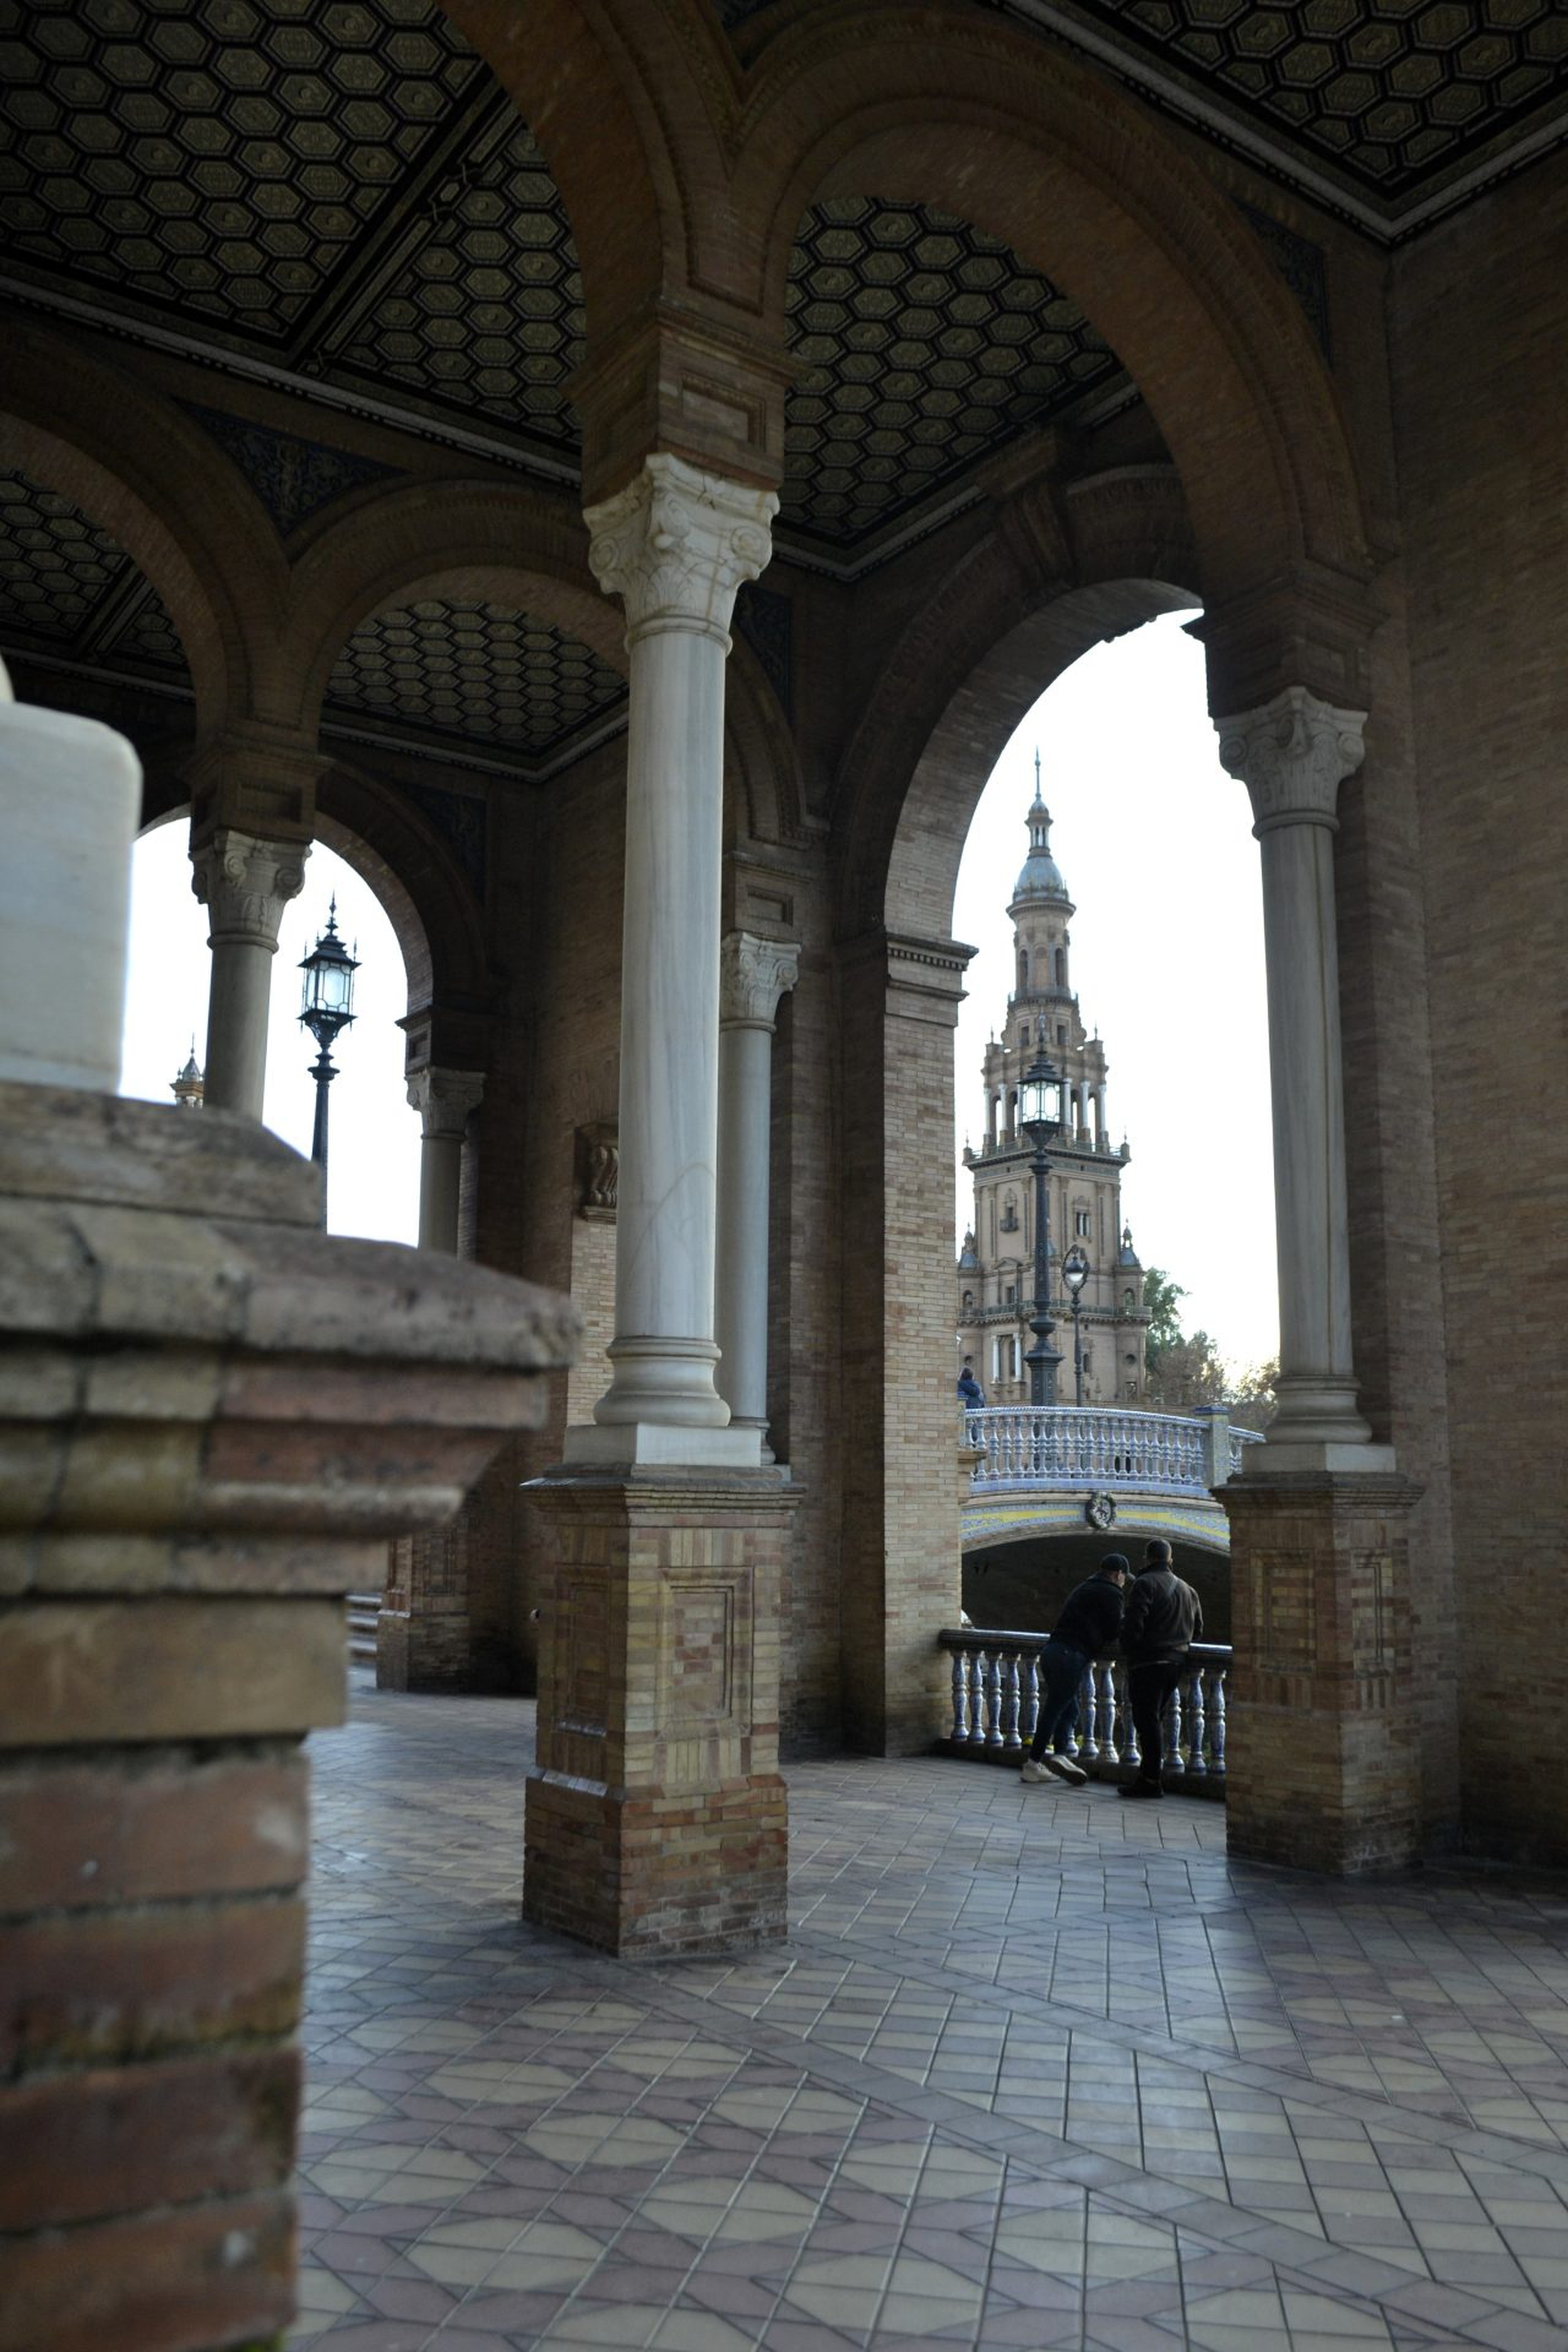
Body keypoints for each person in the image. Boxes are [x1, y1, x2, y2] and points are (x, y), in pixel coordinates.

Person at [1020, 1553, 1130, 1787]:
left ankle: (1060, 1755)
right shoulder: (1112, 1592)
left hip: (1052, 1652)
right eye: (1124, 1578)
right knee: (1053, 1711)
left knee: (1069, 1712)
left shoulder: (1084, 1586)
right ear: (1118, 1574)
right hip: (1070, 1656)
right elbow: (1113, 1630)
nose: (1124, 1582)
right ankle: (1033, 1764)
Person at [1118, 1538, 1202, 1798]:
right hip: (1177, 1662)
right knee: (1155, 1719)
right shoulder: (1189, 1589)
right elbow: (1198, 1629)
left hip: (1148, 1662)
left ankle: (1151, 1779)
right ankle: (1149, 1776)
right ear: (1170, 1560)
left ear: (1147, 1559)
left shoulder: (1144, 1584)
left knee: (1146, 1720)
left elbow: (1134, 1625)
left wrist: (1127, 1647)